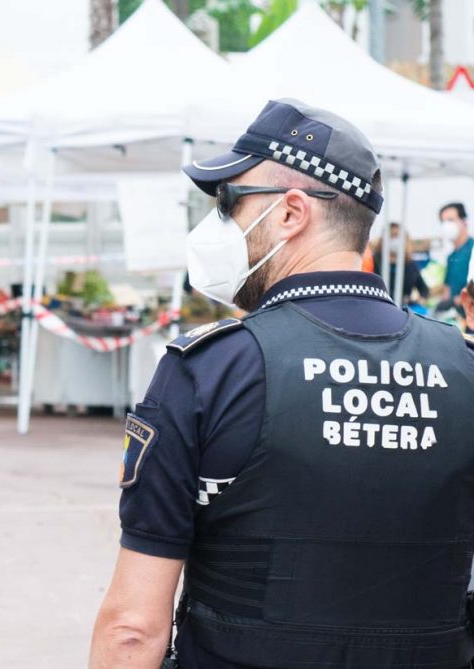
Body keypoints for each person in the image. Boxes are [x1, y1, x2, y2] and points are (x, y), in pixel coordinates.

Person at [90, 99, 474, 669]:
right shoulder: (462, 369)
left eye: (230, 203)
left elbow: (132, 628)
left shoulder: (212, 371)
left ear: (292, 213)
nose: (219, 224)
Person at [371, 222, 429, 307]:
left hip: (403, 308)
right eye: (392, 236)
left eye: (398, 237)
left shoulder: (410, 265)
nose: (396, 240)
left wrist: (420, 300)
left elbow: (424, 289)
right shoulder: (374, 262)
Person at [440, 202, 472, 310]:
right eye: (443, 222)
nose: (447, 225)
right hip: (459, 320)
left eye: (450, 220)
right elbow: (447, 290)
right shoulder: (451, 257)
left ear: (464, 221)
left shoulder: (472, 249)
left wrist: (456, 301)